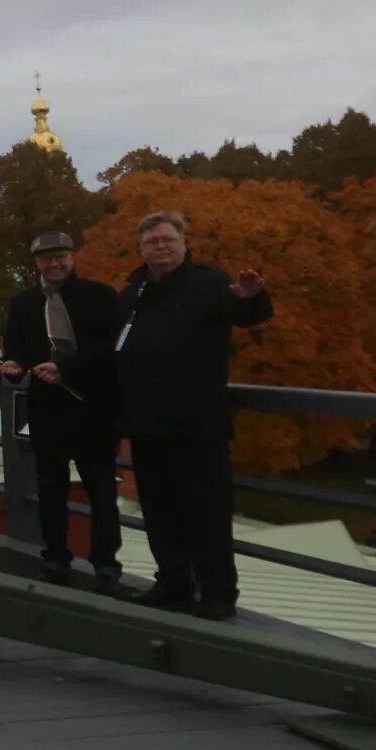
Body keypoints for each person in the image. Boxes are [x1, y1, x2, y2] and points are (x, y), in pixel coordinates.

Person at [113, 210, 271, 619]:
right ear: (141, 247)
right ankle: (173, 582)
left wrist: (253, 298)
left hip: (197, 423)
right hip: (148, 423)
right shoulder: (134, 291)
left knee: (208, 513)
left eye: (168, 239)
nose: (160, 247)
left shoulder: (210, 283)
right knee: (160, 511)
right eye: (152, 242)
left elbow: (245, 315)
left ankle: (218, 594)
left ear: (183, 243)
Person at [0, 228, 127, 590]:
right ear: (37, 262)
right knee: (50, 492)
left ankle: (105, 563)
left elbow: (111, 349)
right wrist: (14, 366)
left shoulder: (100, 297)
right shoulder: (24, 303)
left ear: (72, 258)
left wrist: (66, 369)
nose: (54, 264)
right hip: (47, 412)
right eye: (46, 258)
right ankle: (55, 558)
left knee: (101, 492)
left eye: (61, 257)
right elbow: (19, 348)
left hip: (93, 410)